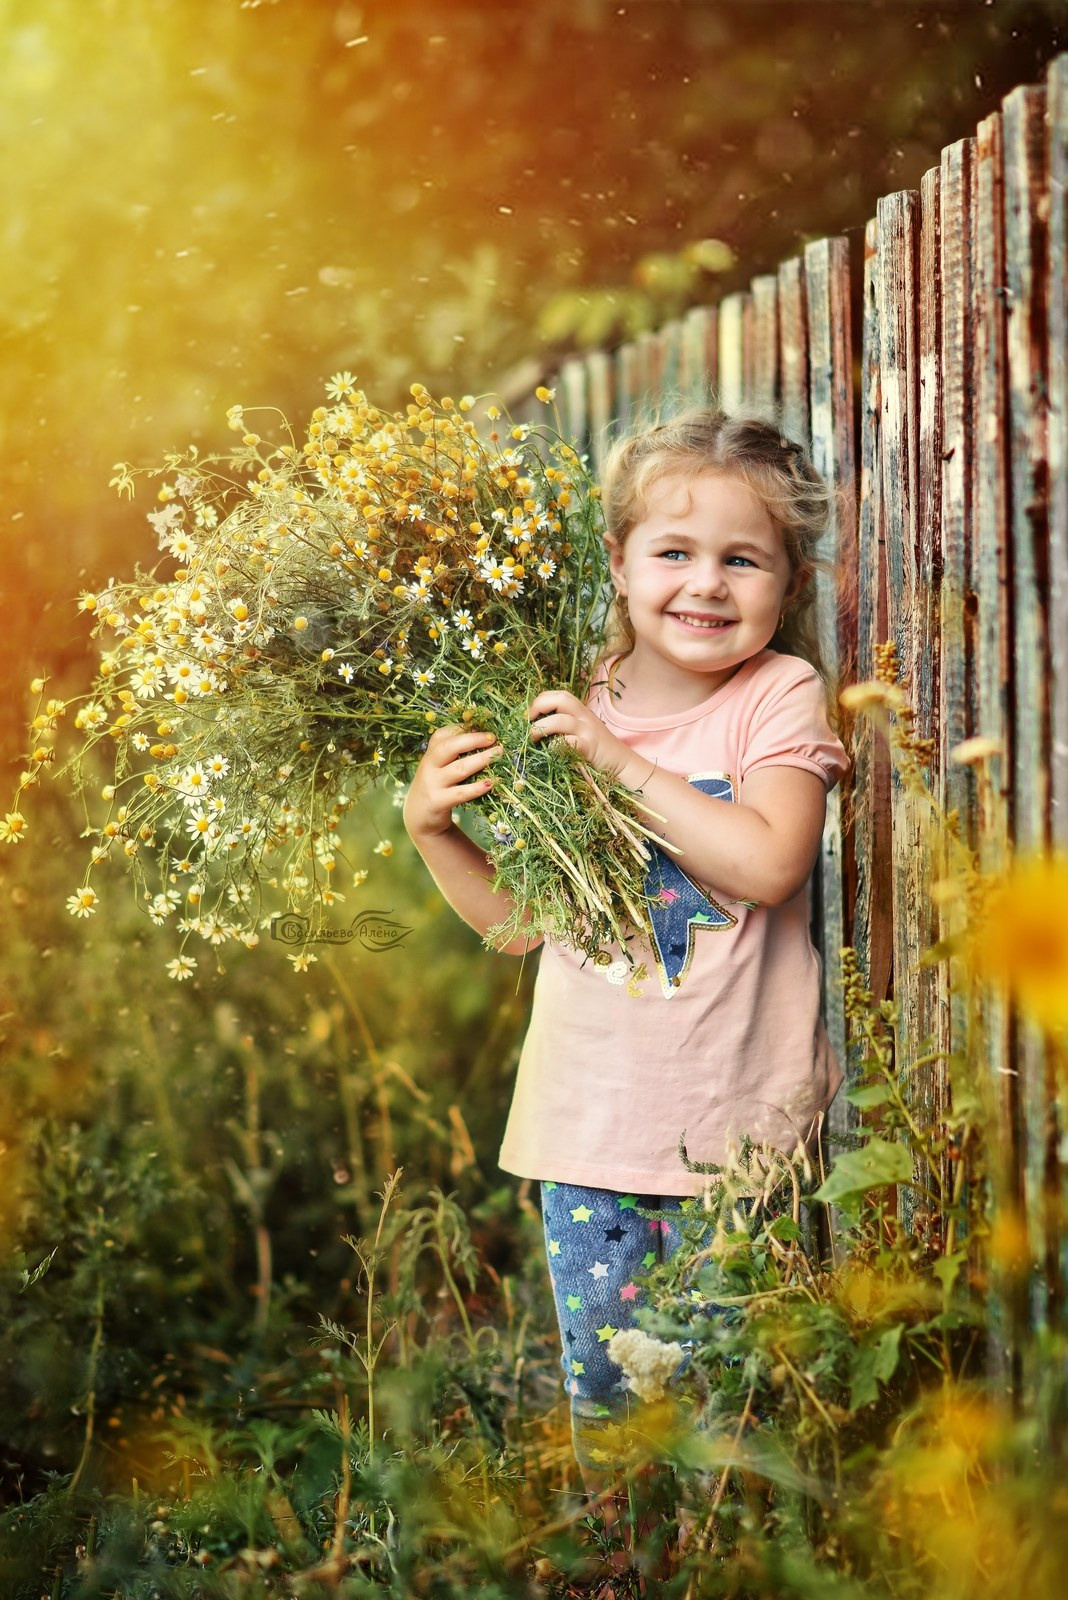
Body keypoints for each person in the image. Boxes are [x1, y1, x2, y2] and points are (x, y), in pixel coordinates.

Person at [402, 407, 850, 1583]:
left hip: (736, 1136)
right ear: (618, 562)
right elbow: (524, 924)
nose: (705, 583)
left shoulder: (776, 695)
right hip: (590, 1130)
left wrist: (621, 764)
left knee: (733, 1415)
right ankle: (627, 1572)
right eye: (674, 551)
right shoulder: (571, 699)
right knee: (612, 1410)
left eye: (742, 559)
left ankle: (728, 1571)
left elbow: (764, 862)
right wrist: (431, 829)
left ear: (788, 580)